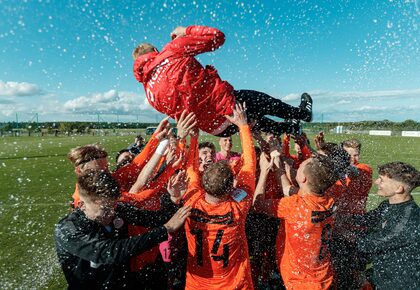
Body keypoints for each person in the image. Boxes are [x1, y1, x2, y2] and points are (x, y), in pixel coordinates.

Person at [132, 25, 312, 136]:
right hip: (228, 107)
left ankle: (291, 129)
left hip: (217, 128)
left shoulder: (150, 94)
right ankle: (303, 114)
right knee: (261, 101)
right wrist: (185, 31)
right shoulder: (171, 50)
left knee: (253, 121)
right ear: (154, 49)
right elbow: (217, 37)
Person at [55, 170, 191, 289]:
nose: (112, 213)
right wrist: (164, 230)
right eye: (105, 209)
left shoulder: (117, 209)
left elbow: (155, 219)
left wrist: (173, 198)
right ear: (81, 204)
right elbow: (108, 252)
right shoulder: (68, 229)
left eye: (113, 206)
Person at [182, 103, 256, 289]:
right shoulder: (238, 207)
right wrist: (243, 126)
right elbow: (249, 167)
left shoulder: (191, 200)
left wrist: (193, 139)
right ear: (232, 187)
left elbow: (190, 168)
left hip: (197, 284)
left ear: (202, 183)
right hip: (235, 285)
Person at [253, 153, 339, 289]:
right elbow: (289, 190)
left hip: (300, 283)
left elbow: (258, 204)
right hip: (323, 277)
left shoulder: (294, 206)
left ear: (303, 178)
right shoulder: (329, 200)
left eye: (300, 166)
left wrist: (264, 171)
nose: (297, 167)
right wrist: (278, 168)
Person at [351, 162, 420, 290]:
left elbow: (367, 244)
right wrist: (336, 217)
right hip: (383, 276)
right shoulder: (387, 205)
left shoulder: (407, 220)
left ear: (398, 189)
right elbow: (363, 220)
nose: (376, 182)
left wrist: (344, 234)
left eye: (381, 180)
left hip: (400, 284)